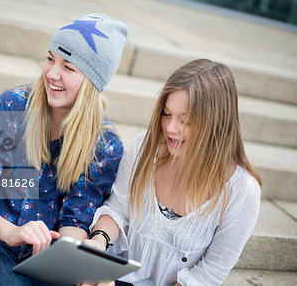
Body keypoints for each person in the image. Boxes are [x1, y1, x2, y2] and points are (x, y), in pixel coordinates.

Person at [0, 13, 128, 285]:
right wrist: (12, 233)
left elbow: (75, 222)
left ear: (93, 82)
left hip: (46, 256)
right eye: (50, 59)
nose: (52, 74)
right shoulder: (14, 105)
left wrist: (67, 263)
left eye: (68, 67)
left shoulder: (105, 145)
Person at [84, 59, 262, 286]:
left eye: (185, 120)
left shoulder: (241, 192)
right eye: (166, 114)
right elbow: (117, 210)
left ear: (216, 124)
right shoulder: (145, 147)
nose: (170, 128)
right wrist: (99, 241)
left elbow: (207, 276)